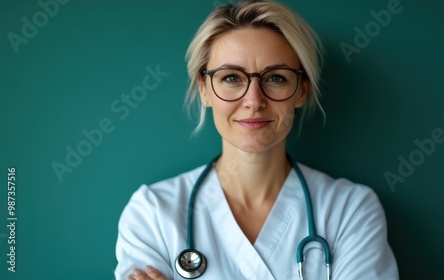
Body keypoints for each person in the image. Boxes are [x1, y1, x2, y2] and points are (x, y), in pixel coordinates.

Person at [114, 0, 399, 279]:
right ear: (204, 89)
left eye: (275, 78)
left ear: (301, 91)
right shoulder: (152, 213)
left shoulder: (350, 210)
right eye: (231, 78)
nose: (253, 100)